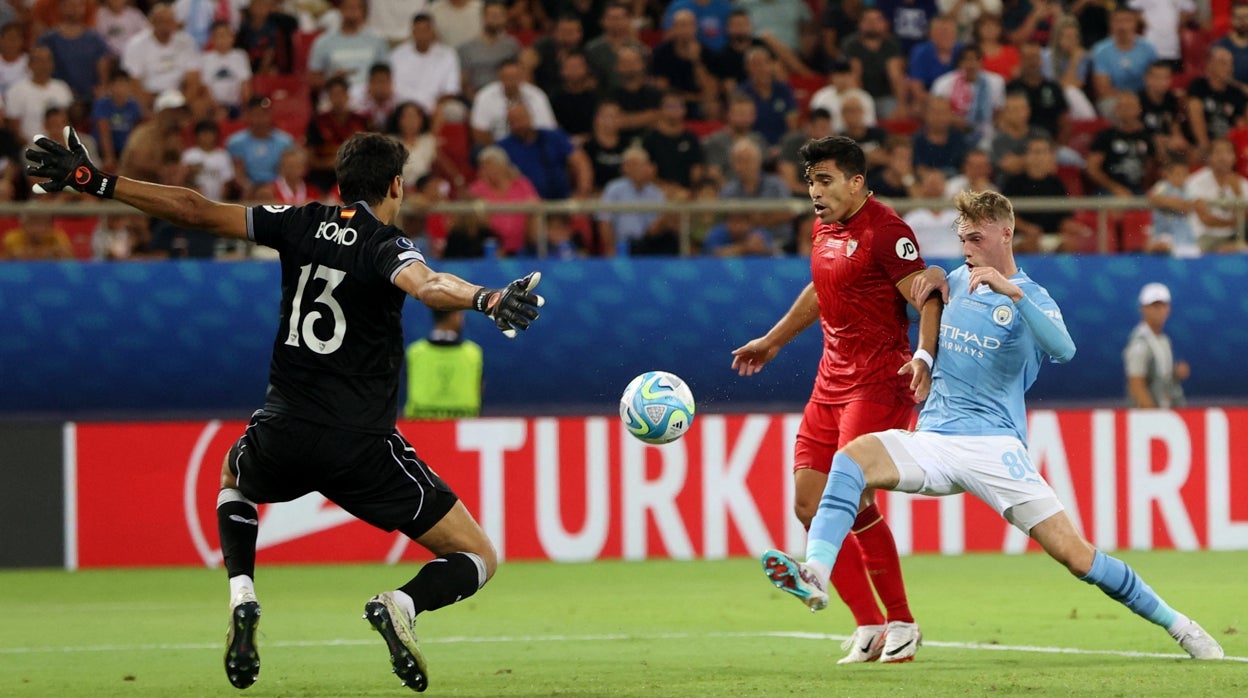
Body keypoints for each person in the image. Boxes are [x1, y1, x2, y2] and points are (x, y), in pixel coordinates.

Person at [25, 127, 546, 690]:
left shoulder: (296, 221)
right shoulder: (386, 244)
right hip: (361, 446)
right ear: (396, 185)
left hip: (285, 429)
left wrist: (96, 181)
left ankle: (243, 595)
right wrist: (486, 297)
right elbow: (427, 284)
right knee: (476, 556)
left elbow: (194, 209)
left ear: (342, 184)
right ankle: (399, 604)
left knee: (233, 478)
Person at [759, 190, 1225, 662]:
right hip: (935, 441)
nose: (967, 248)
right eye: (963, 239)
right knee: (851, 458)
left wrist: (1013, 292)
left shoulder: (1032, 297)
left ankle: (1180, 626)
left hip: (995, 448)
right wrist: (923, 356)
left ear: (1007, 231)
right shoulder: (950, 283)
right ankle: (815, 570)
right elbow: (915, 308)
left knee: (1075, 555)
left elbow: (1063, 350)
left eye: (976, 238)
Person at [732, 135, 943, 664]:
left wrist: (925, 355)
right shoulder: (824, 226)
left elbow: (926, 293)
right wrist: (773, 340)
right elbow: (821, 289)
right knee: (808, 504)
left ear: (856, 181)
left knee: (853, 500)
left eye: (824, 180)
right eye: (809, 181)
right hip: (830, 382)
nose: (814, 191)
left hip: (878, 383)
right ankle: (868, 625)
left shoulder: (887, 230)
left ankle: (903, 622)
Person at [404, 308, 484, 419]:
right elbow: (479, 388)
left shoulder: (414, 352)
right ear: (455, 315)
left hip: (419, 428)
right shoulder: (473, 353)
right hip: (464, 426)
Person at [1124, 282, 1189, 409]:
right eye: (1154, 306)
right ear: (1143, 309)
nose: (1160, 311)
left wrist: (1175, 375)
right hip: (1146, 417)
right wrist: (1153, 415)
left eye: (1163, 306)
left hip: (1162, 412)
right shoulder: (1140, 344)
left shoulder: (1163, 341)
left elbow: (1160, 379)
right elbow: (1136, 384)